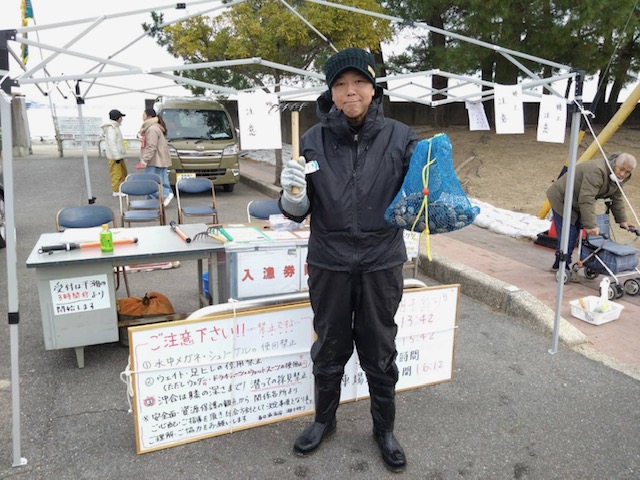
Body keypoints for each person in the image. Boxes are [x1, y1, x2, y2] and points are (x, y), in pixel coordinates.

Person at [279, 47, 420, 473]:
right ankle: (324, 421)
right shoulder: (312, 140)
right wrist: (292, 196)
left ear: (374, 88)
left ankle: (384, 430)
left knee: (380, 349)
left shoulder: (401, 137)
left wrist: (431, 181)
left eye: (359, 82)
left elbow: (419, 199)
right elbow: (298, 210)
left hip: (381, 261)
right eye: (340, 84)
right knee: (328, 347)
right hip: (330, 261)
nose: (350, 91)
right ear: (331, 92)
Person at [546, 152, 637, 272]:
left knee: (575, 233)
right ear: (615, 164)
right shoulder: (597, 171)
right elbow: (586, 199)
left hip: (577, 201)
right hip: (562, 198)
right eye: (621, 169)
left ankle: (565, 265)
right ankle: (560, 267)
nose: (622, 174)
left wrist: (622, 220)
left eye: (627, 172)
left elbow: (617, 197)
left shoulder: (617, 177)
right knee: (569, 234)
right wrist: (590, 225)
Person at [136, 108, 173, 207]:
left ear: (148, 117)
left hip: (154, 159)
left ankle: (163, 196)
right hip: (159, 159)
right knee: (161, 178)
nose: (142, 118)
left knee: (150, 180)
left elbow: (151, 146)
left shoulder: (152, 129)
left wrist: (145, 160)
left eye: (143, 116)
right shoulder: (156, 127)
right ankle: (158, 197)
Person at [101, 109, 128, 197]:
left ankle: (121, 188)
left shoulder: (115, 127)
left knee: (122, 172)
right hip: (115, 156)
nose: (122, 119)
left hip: (118, 155)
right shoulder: (111, 128)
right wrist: (117, 157)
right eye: (121, 117)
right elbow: (112, 143)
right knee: (116, 173)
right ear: (117, 118)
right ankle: (116, 190)